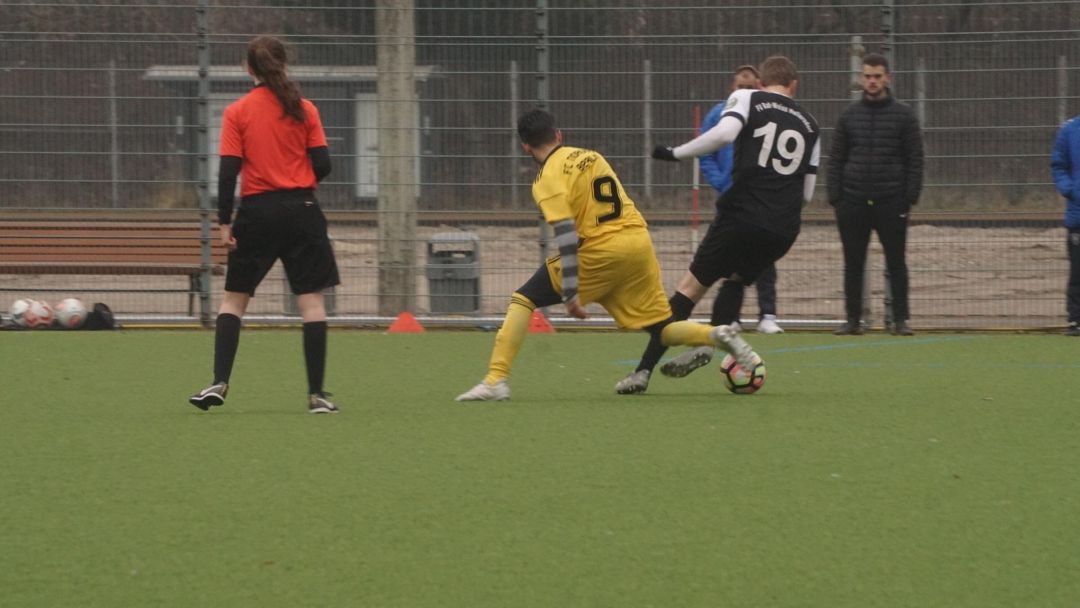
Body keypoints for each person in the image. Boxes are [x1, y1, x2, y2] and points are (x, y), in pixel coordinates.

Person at [455, 108, 756, 402]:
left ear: (525, 147)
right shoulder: (592, 156)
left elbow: (566, 235)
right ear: (558, 134)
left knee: (523, 299)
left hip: (601, 251)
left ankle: (495, 380)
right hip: (638, 243)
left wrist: (570, 294)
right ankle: (714, 334)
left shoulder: (546, 179)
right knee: (661, 327)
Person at [615, 55, 820, 395]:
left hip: (741, 214)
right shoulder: (811, 124)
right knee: (736, 279)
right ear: (794, 85)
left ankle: (643, 372)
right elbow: (808, 194)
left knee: (689, 290)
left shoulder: (747, 97)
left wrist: (675, 153)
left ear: (760, 82)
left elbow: (723, 135)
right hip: (783, 228)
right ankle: (711, 343)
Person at [188, 36, 340, 413]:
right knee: (311, 302)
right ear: (285, 64)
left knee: (234, 300)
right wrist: (302, 184)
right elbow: (323, 164)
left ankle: (219, 382)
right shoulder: (305, 109)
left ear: (247, 68)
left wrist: (225, 222)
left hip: (257, 212)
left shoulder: (237, 112)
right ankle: (317, 395)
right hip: (303, 210)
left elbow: (227, 174)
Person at [828, 53, 924, 337]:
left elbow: (915, 159)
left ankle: (901, 320)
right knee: (853, 262)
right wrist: (836, 197)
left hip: (891, 200)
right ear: (861, 78)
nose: (872, 81)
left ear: (887, 78)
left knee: (896, 261)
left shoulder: (904, 116)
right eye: (867, 76)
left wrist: (909, 197)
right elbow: (836, 159)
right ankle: (853, 320)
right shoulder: (849, 116)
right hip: (853, 201)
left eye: (877, 76)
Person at [700, 64, 784, 336]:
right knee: (730, 255)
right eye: (741, 87)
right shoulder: (718, 115)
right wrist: (721, 181)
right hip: (731, 198)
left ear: (759, 86)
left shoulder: (769, 114)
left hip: (762, 197)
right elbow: (705, 152)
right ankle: (731, 317)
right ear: (732, 88)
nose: (745, 91)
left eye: (750, 87)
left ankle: (767, 315)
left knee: (765, 255)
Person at [1050, 113, 1080, 336]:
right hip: (1078, 215)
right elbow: (1058, 165)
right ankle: (1077, 320)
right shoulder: (1070, 130)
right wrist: (1069, 189)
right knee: (1078, 270)